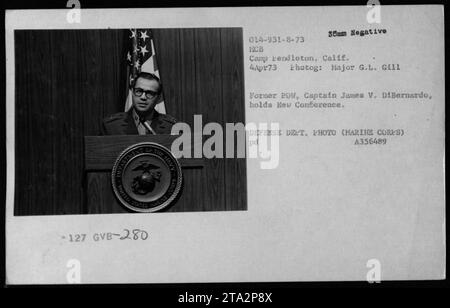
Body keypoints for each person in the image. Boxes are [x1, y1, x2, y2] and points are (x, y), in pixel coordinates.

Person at [101, 72, 177, 135]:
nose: (143, 97)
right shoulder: (111, 126)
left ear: (158, 98)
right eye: (139, 91)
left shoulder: (171, 127)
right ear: (132, 93)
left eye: (149, 93)